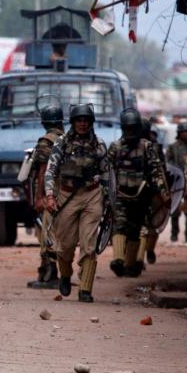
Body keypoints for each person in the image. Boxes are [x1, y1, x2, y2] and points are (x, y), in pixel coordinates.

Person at [44, 104, 109, 303]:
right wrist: (49, 196)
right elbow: (50, 171)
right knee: (65, 246)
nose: (82, 124)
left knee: (89, 245)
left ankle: (85, 289)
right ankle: (64, 275)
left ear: (91, 123)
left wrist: (108, 201)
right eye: (79, 120)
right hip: (66, 196)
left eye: (86, 120)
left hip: (92, 196)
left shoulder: (99, 144)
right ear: (72, 122)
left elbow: (107, 175)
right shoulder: (62, 143)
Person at [108, 109, 169, 278]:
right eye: (127, 129)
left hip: (141, 197)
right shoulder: (115, 147)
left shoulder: (147, 147)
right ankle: (118, 260)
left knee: (135, 230)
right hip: (120, 195)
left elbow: (157, 170)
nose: (130, 133)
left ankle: (131, 264)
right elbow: (107, 170)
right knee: (119, 224)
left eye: (133, 129)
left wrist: (163, 193)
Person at [27, 104, 65, 289]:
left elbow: (43, 170)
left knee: (45, 232)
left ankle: (50, 274)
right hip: (62, 193)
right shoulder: (66, 138)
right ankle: (46, 272)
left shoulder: (46, 141)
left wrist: (40, 196)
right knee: (52, 231)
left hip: (48, 193)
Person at [137, 119, 167, 265]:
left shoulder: (153, 147)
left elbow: (161, 170)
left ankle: (147, 251)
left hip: (152, 192)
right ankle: (137, 258)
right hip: (134, 192)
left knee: (151, 225)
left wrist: (163, 191)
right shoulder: (127, 145)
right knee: (140, 226)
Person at [166, 122, 187, 243]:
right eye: (184, 132)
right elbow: (168, 164)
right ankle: (174, 235)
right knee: (175, 210)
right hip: (177, 183)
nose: (186, 134)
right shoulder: (173, 147)